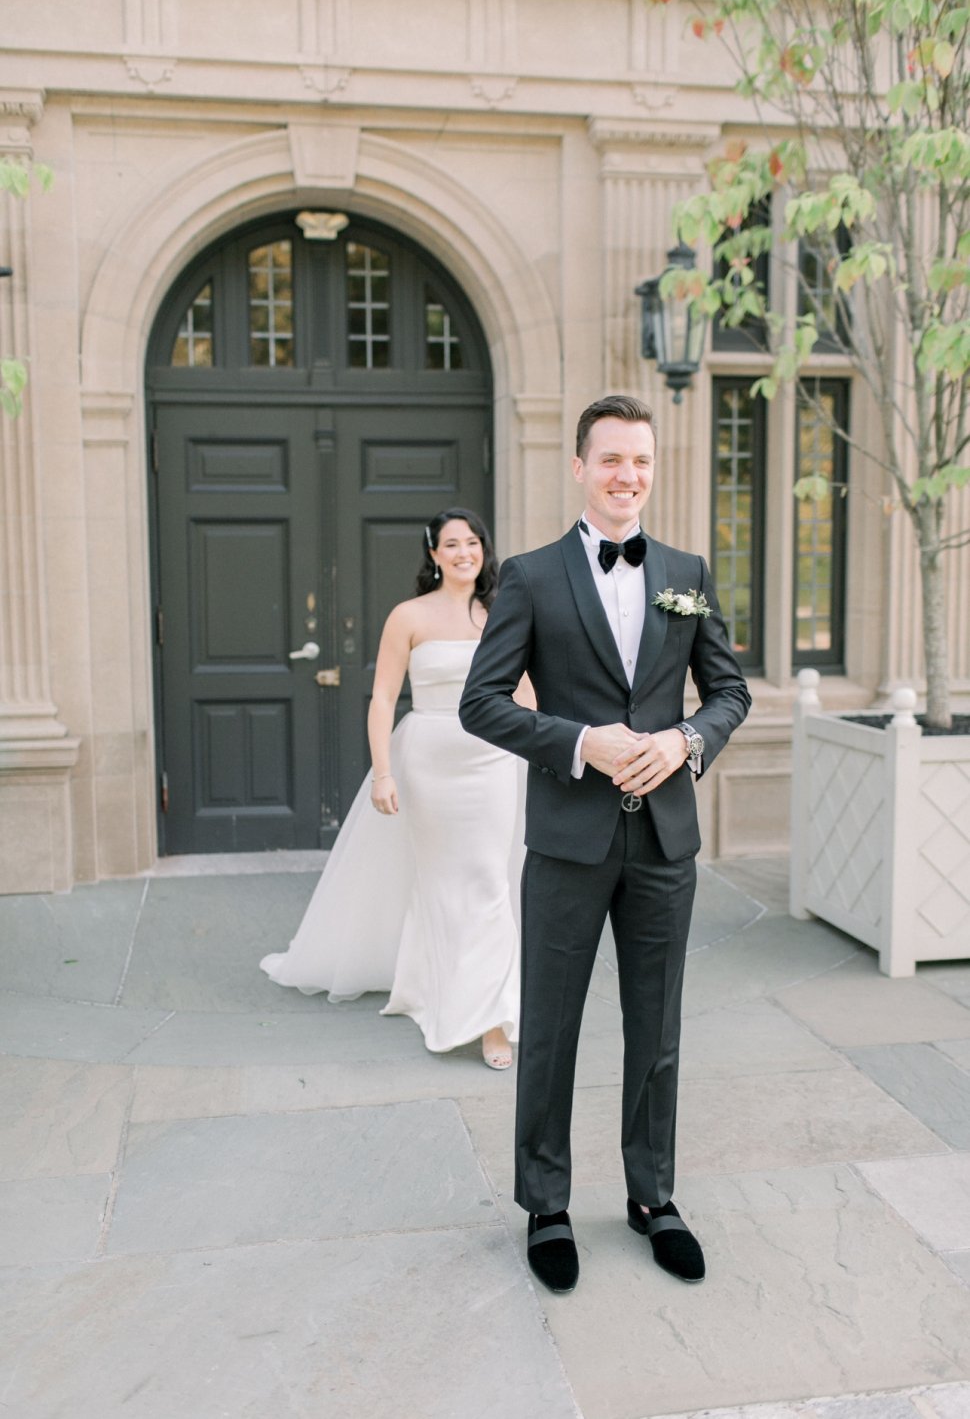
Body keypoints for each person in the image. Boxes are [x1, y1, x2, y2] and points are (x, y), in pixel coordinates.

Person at [459, 395, 751, 1290]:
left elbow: (729, 691)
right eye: (613, 458)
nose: (629, 475)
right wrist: (583, 743)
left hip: (664, 840)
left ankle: (652, 1194)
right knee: (548, 1029)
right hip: (568, 839)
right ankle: (547, 1204)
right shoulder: (533, 576)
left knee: (655, 1028)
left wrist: (684, 740)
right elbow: (483, 701)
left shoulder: (688, 570)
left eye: (642, 461)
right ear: (580, 466)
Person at [261, 508, 526, 1070]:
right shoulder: (408, 616)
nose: (463, 553)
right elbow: (383, 698)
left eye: (472, 543)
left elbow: (526, 691)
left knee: (490, 879)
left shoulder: (504, 611)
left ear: (484, 550)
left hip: (496, 759)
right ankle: (432, 984)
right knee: (439, 880)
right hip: (429, 761)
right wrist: (384, 772)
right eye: (451, 544)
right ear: (433, 554)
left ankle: (491, 1019)